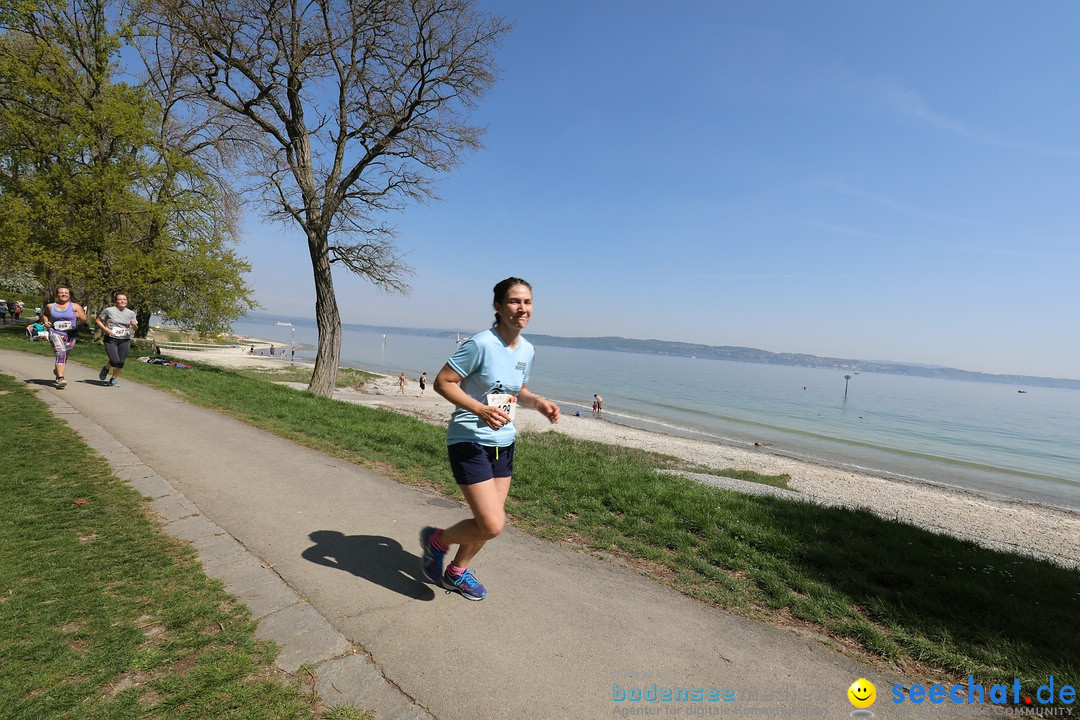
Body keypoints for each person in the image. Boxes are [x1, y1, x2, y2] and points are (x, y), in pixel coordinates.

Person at [419, 277, 560, 601]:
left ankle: (456, 571)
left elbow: (517, 391)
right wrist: (479, 409)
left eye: (526, 302)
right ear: (498, 306)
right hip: (468, 438)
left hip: (504, 443)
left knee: (488, 522)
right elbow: (444, 382)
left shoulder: (527, 349)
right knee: (493, 524)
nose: (521, 308)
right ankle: (436, 541)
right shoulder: (481, 344)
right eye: (513, 301)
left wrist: (537, 402)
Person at [42, 287, 87, 389]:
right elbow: (45, 314)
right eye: (61, 293)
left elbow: (84, 319)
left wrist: (79, 316)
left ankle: (57, 371)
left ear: (69, 295)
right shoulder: (50, 306)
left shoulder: (75, 306)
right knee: (61, 352)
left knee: (64, 356)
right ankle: (60, 378)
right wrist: (46, 322)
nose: (63, 294)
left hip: (71, 334)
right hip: (55, 332)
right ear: (57, 294)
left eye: (66, 293)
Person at [95, 292, 139, 387]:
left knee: (121, 362)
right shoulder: (109, 310)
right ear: (116, 301)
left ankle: (113, 379)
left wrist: (134, 325)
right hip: (111, 338)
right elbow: (98, 320)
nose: (122, 301)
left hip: (125, 339)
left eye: (124, 299)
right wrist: (106, 329)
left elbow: (135, 329)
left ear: (127, 301)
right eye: (119, 299)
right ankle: (106, 368)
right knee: (115, 360)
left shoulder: (131, 313)